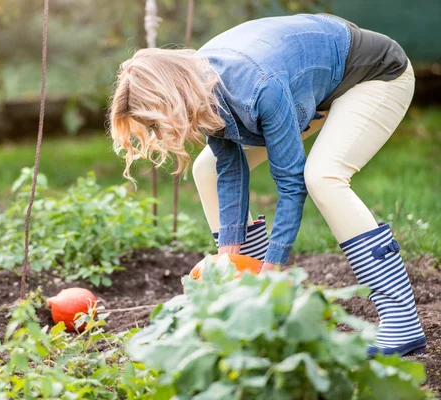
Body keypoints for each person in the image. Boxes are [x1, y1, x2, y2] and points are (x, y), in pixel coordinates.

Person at [108, 13, 426, 356]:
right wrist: (228, 259)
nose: (164, 134)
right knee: (209, 168)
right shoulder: (199, 88)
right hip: (309, 83)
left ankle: (402, 322)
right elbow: (229, 168)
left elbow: (290, 184)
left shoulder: (257, 87)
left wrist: (273, 265)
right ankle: (260, 305)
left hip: (375, 75)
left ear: (172, 98)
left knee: (322, 177)